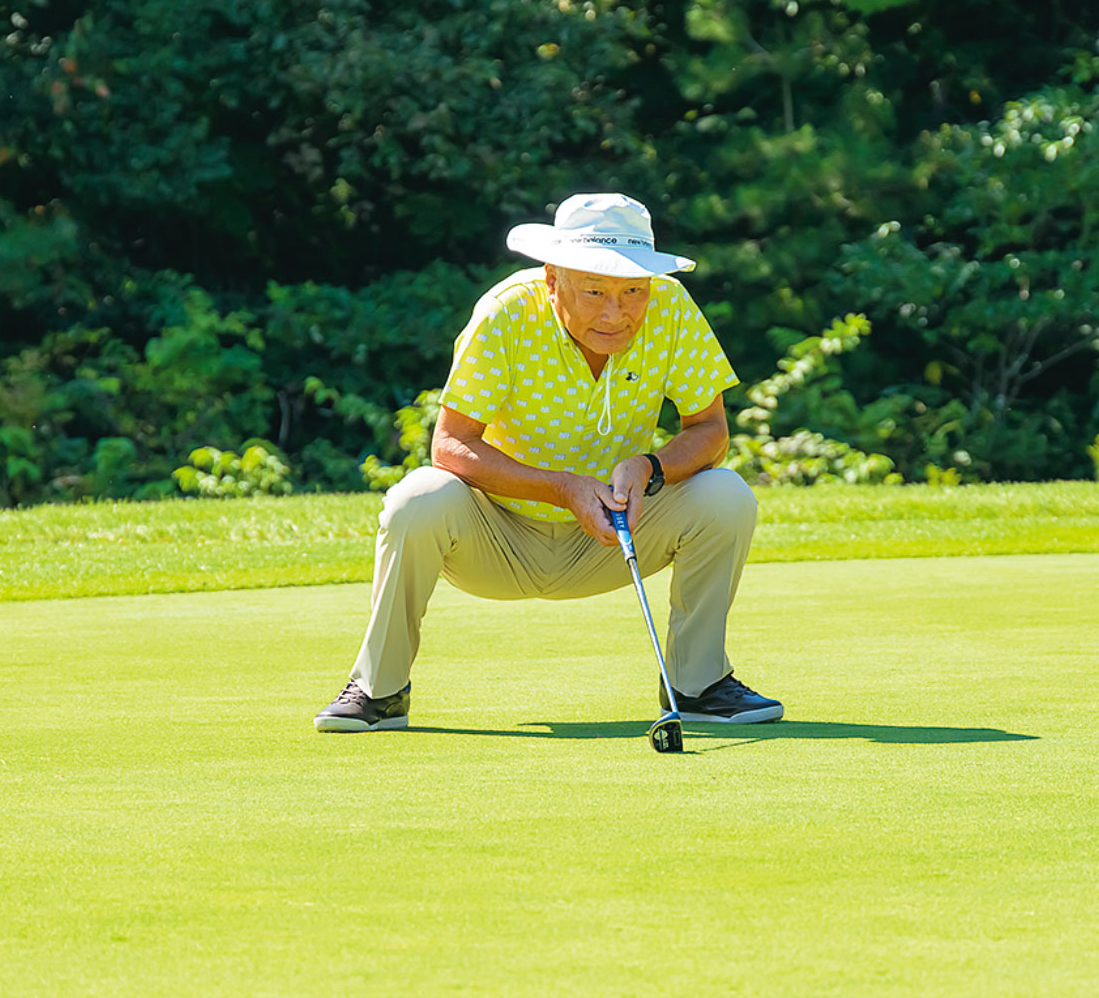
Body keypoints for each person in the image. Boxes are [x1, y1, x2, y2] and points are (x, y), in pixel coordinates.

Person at [314, 193, 783, 732]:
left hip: (617, 530)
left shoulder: (672, 309)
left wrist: (649, 467)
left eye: (633, 290)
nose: (616, 312)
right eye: (595, 290)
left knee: (725, 494)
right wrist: (562, 488)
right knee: (416, 498)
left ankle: (697, 685)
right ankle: (380, 690)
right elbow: (449, 443)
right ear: (553, 278)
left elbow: (709, 429)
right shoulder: (506, 312)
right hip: (496, 537)